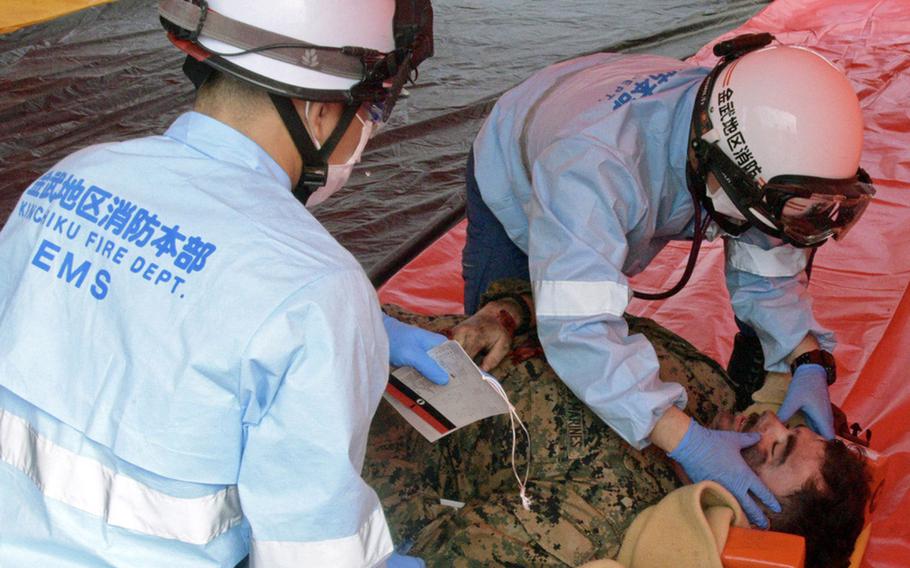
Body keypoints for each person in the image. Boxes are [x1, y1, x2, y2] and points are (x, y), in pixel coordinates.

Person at [0, 1, 447, 566]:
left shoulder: (70, 178)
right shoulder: (316, 288)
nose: (367, 135)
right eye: (370, 113)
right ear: (316, 110)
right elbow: (310, 552)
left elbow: (126, 311)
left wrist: (355, 331)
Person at [454, 33, 875, 527]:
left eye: (773, 449)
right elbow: (578, 326)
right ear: (723, 175)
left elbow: (768, 268)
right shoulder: (592, 168)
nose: (768, 426)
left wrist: (807, 358)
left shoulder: (749, 133)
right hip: (519, 161)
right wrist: (685, 439)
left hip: (596, 103)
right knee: (475, 369)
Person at [367, 290, 871, 568]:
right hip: (373, 320)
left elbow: (423, 544)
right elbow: (579, 308)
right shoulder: (706, 389)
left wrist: (373, 437)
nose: (767, 422)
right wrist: (506, 314)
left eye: (768, 454)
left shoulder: (593, 517)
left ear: (738, 511)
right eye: (790, 428)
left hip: (339, 411)